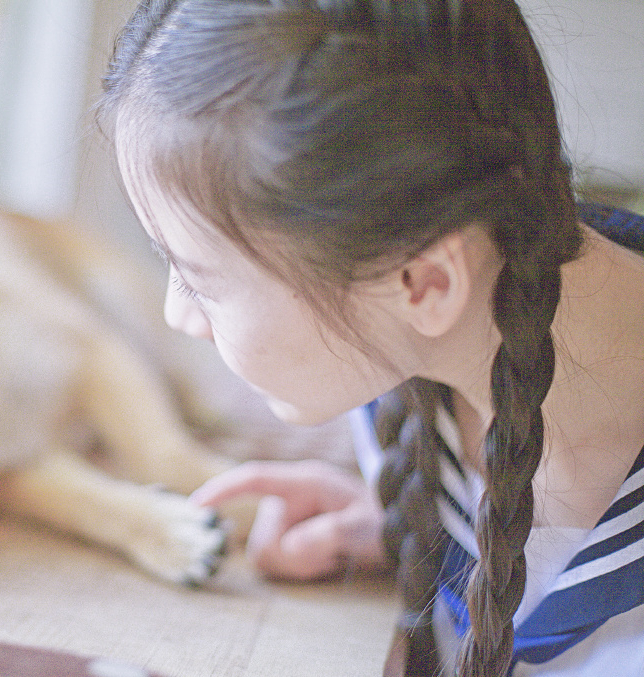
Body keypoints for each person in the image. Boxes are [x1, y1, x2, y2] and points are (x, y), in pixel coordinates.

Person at [98, 1, 644, 676]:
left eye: (199, 277)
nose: (179, 314)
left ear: (425, 284)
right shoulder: (400, 354)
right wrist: (418, 533)